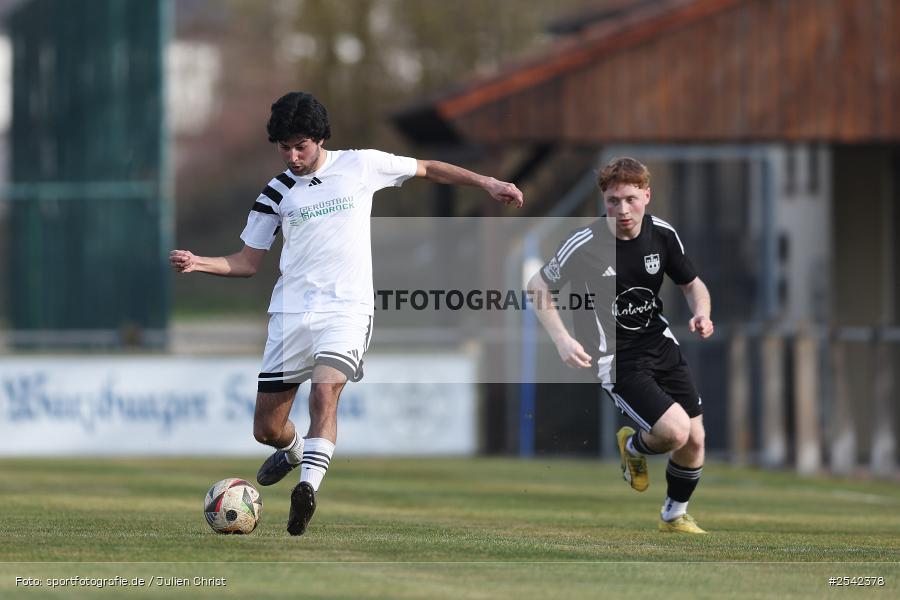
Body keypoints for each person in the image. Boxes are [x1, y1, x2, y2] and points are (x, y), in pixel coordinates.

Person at [170, 91, 523, 536]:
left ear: (320, 138)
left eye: (301, 145)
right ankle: (295, 449)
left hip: (347, 309)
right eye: (284, 148)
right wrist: (199, 262)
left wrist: (488, 182)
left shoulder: (361, 165)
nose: (293, 156)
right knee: (266, 429)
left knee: (324, 394)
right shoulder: (276, 192)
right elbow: (247, 262)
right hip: (290, 315)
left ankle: (307, 489)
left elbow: (428, 168)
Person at [527, 157, 713, 534]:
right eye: (613, 201)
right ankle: (633, 449)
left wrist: (702, 313)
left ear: (647, 194)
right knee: (675, 432)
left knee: (695, 439)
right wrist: (563, 338)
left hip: (659, 342)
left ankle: (674, 516)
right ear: (603, 200)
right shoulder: (584, 243)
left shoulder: (662, 234)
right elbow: (537, 286)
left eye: (630, 198)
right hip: (617, 358)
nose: (622, 209)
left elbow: (692, 283)